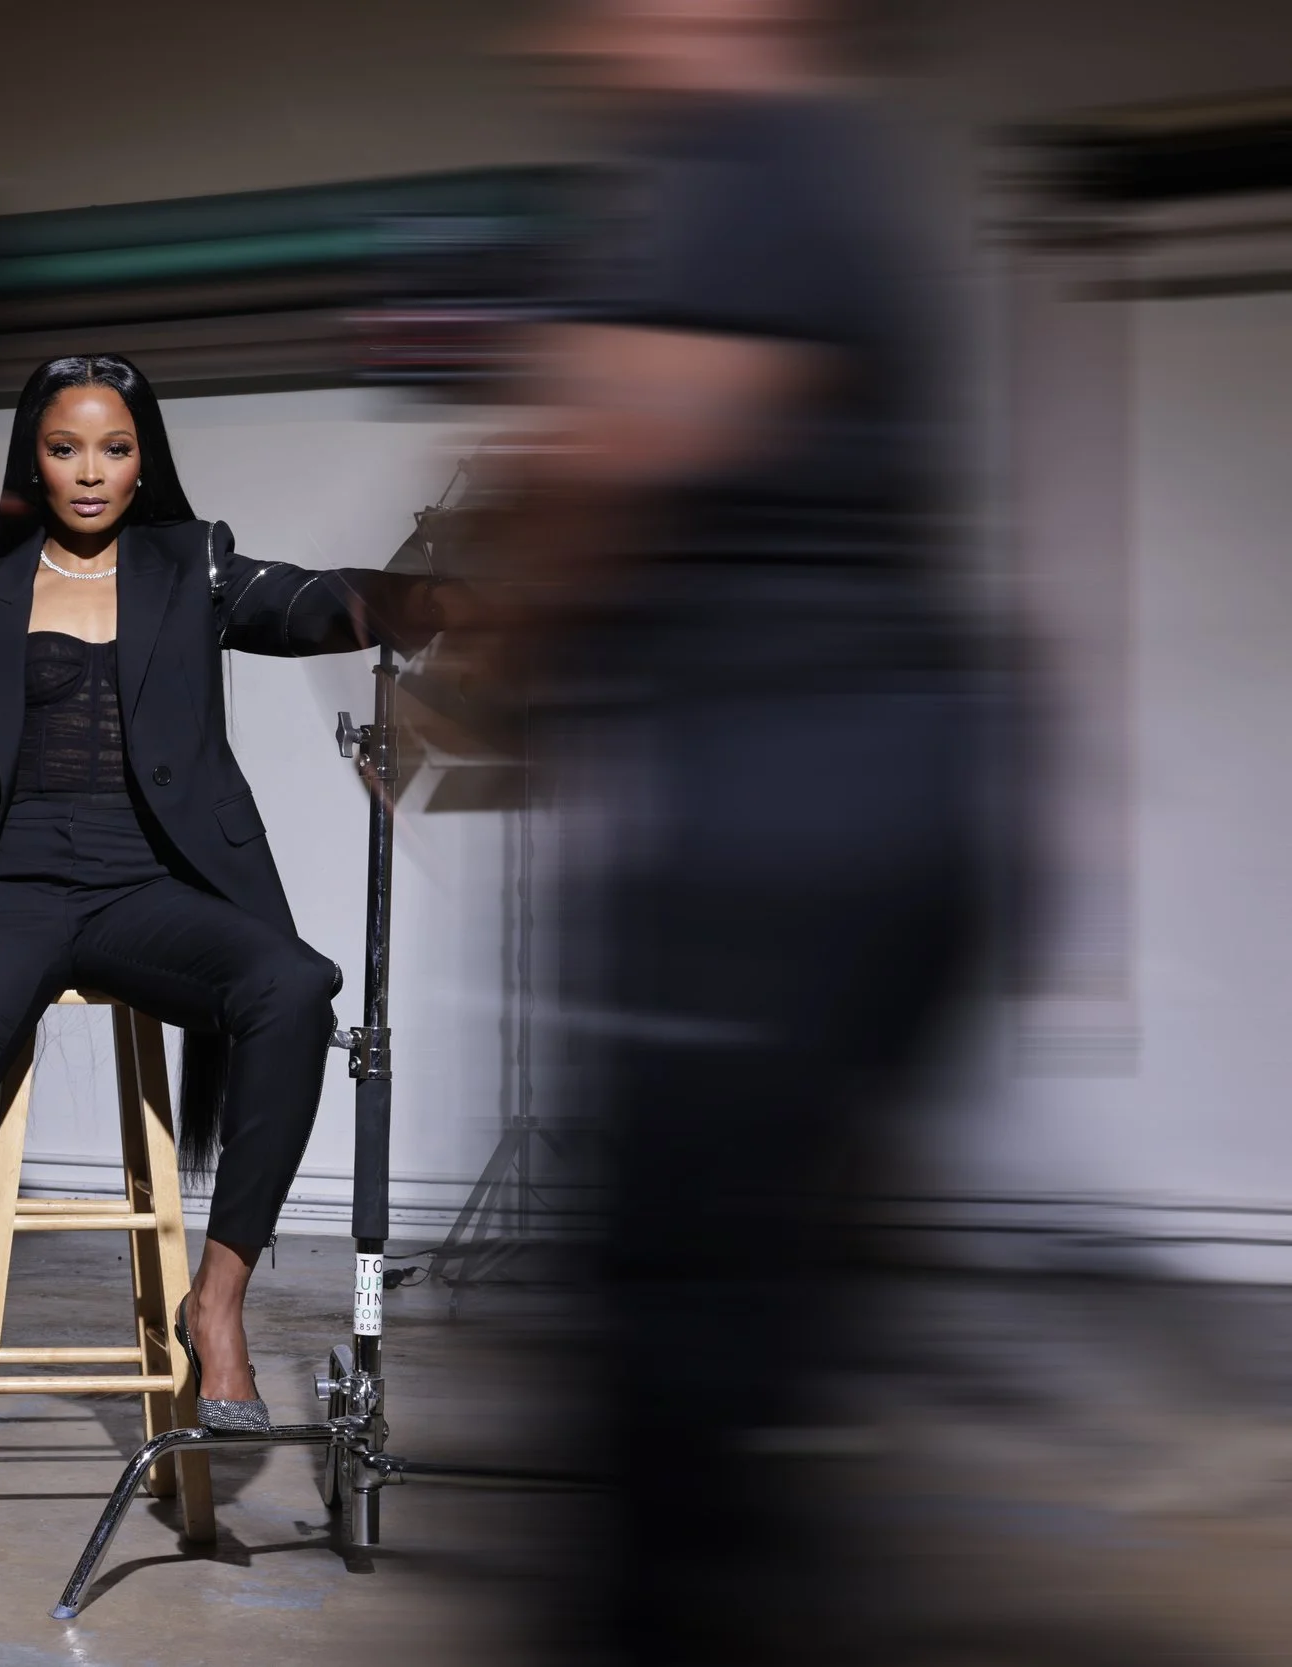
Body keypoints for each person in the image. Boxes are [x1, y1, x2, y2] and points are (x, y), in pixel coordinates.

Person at [441, 2, 998, 1660]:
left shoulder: (756, 163)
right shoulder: (795, 175)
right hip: (835, 814)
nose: (566, 34)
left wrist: (499, 638)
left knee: (678, 1364)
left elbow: (610, 448)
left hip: (779, 836)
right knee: (734, 1349)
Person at [0, 353, 448, 1625]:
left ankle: (214, 1300)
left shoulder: (191, 563)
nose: (91, 472)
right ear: (33, 459)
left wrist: (458, 587)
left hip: (149, 892)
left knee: (294, 985)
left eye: (113, 448)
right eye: (65, 448)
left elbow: (314, 602)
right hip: (8, 904)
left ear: (143, 457)